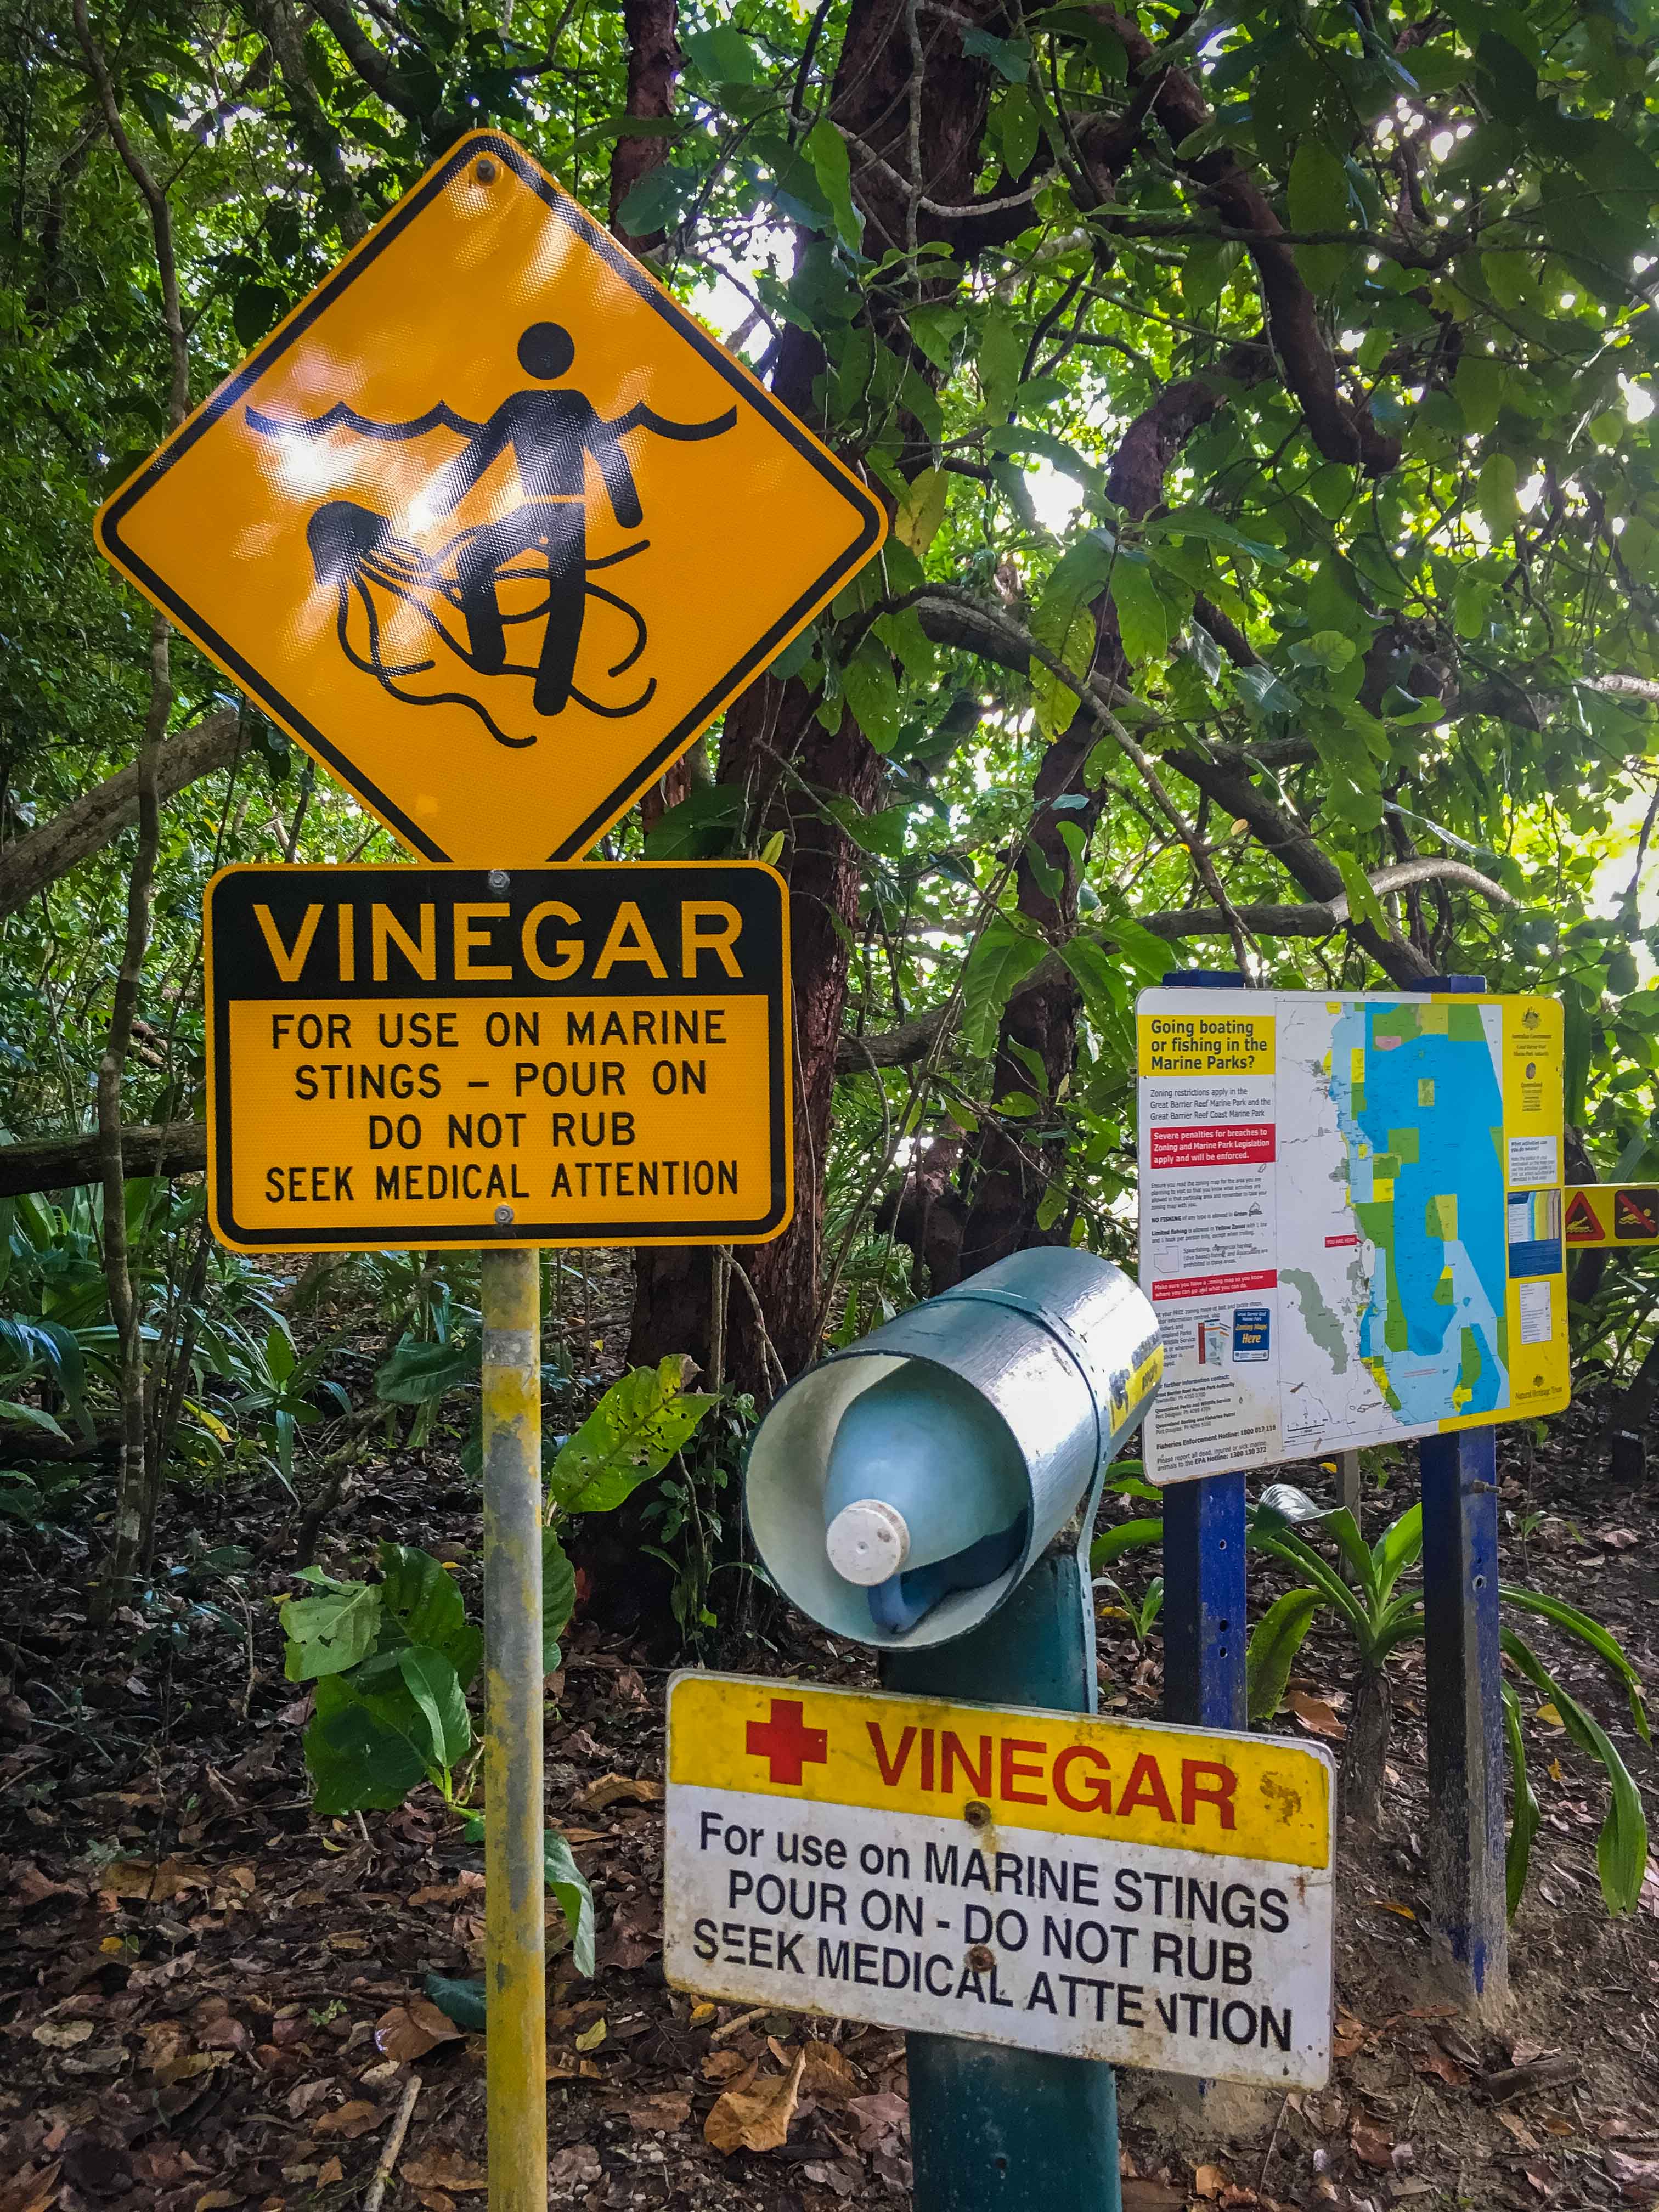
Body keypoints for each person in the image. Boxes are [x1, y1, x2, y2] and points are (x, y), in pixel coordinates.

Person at [251, 320, 734, 716]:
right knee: (497, 569)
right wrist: (442, 500)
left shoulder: (562, 404)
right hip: (547, 510)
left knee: (560, 594)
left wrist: (628, 511)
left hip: (562, 510)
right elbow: (487, 455)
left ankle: (542, 685)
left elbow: (597, 454)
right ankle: (496, 656)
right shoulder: (531, 405)